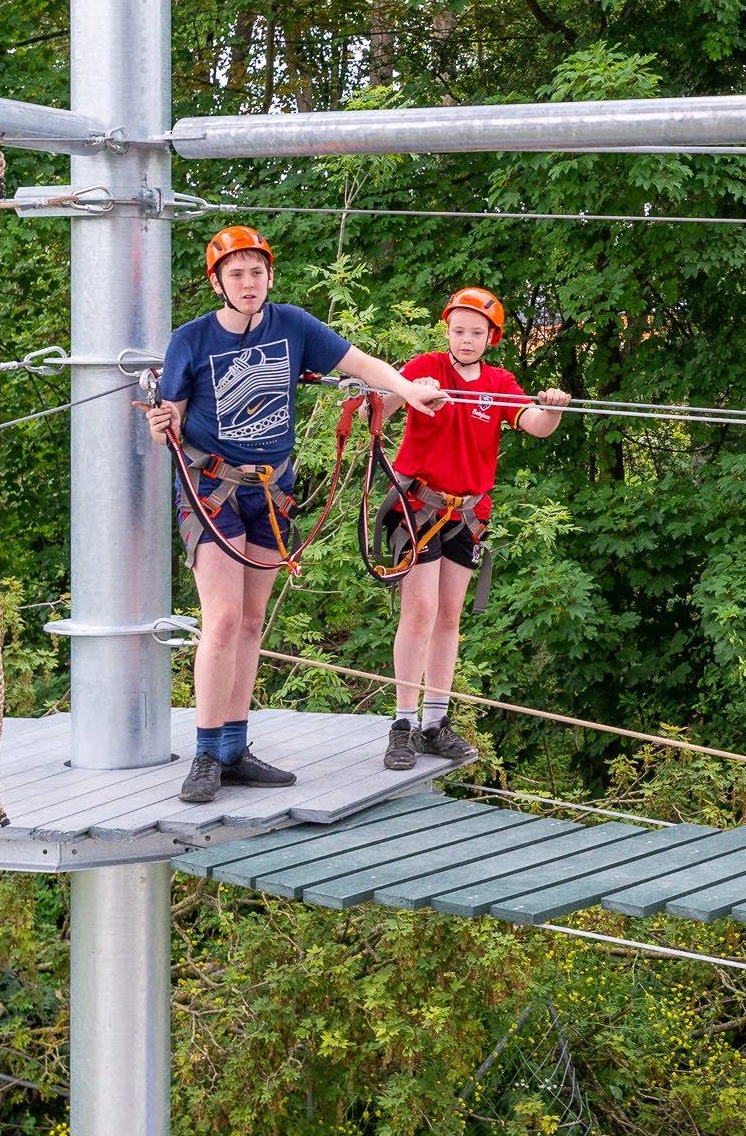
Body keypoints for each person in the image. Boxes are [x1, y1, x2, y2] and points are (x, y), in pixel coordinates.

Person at [144, 225, 447, 804]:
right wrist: (160, 426)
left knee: (252, 621)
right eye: (236, 274)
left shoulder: (293, 325)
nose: (249, 283)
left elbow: (362, 364)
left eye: (256, 272)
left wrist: (408, 391)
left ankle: (233, 748)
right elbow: (170, 421)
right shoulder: (192, 339)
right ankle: (205, 753)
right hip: (213, 490)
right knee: (223, 618)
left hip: (272, 490)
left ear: (269, 277)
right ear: (217, 283)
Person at [375, 287, 569, 769]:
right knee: (419, 611)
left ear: (491, 338)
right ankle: (403, 723)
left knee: (448, 616)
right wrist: (403, 391)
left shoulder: (499, 382)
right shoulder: (427, 367)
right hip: (419, 506)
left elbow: (535, 424)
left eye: (476, 333)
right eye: (458, 331)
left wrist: (553, 407)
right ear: (447, 332)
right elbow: (378, 409)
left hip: (466, 514)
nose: (466, 339)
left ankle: (435, 722)